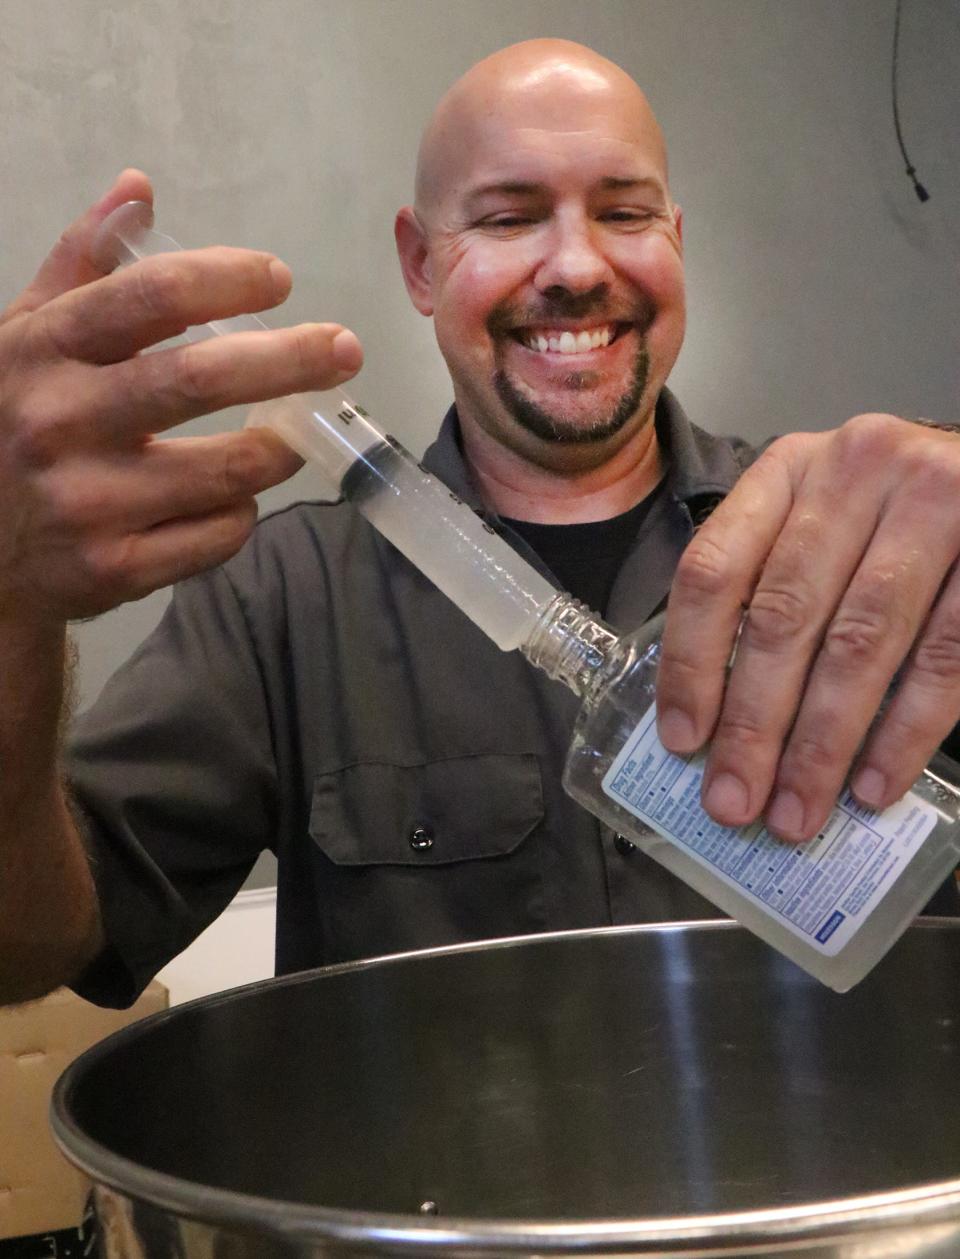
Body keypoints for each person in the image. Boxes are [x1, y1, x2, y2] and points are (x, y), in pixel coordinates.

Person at [1, 40, 958, 1009]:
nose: (579, 265)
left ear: (676, 239)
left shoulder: (853, 539)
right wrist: (7, 612)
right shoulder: (278, 599)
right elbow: (31, 946)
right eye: (509, 216)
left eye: (624, 213)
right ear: (420, 263)